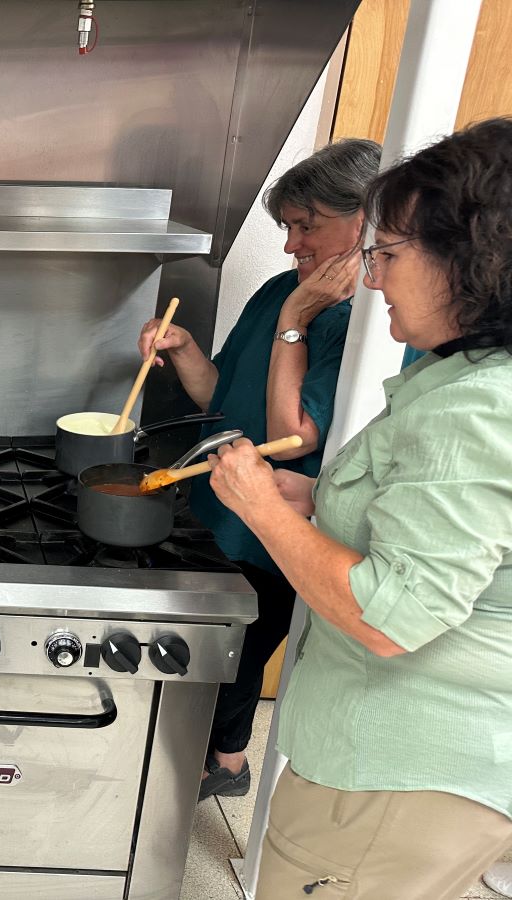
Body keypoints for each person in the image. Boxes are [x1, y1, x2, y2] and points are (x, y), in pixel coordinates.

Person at [207, 117, 512, 898]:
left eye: (390, 254)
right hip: (421, 770)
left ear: (470, 259)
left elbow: (390, 618)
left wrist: (265, 512)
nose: (372, 278)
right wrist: (314, 497)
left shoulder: (475, 407)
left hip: (398, 772)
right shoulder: (463, 380)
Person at [136, 138, 381, 800]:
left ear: (366, 219)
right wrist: (184, 349)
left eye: (307, 226)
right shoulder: (279, 291)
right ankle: (206, 757)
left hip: (273, 527)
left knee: (239, 660)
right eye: (288, 227)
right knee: (214, 658)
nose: (291, 245)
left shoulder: (357, 323)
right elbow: (223, 395)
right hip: (220, 505)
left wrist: (295, 325)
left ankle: (225, 766)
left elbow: (291, 440)